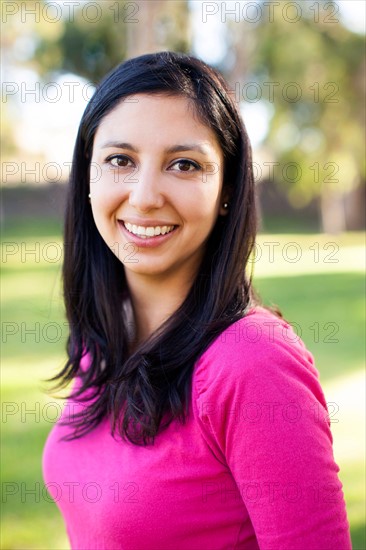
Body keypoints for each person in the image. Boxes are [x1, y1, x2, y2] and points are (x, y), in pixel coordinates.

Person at [42, 51, 351, 549]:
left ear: (227, 188)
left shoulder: (255, 363)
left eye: (184, 165)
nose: (144, 196)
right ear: (88, 177)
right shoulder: (104, 337)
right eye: (120, 160)